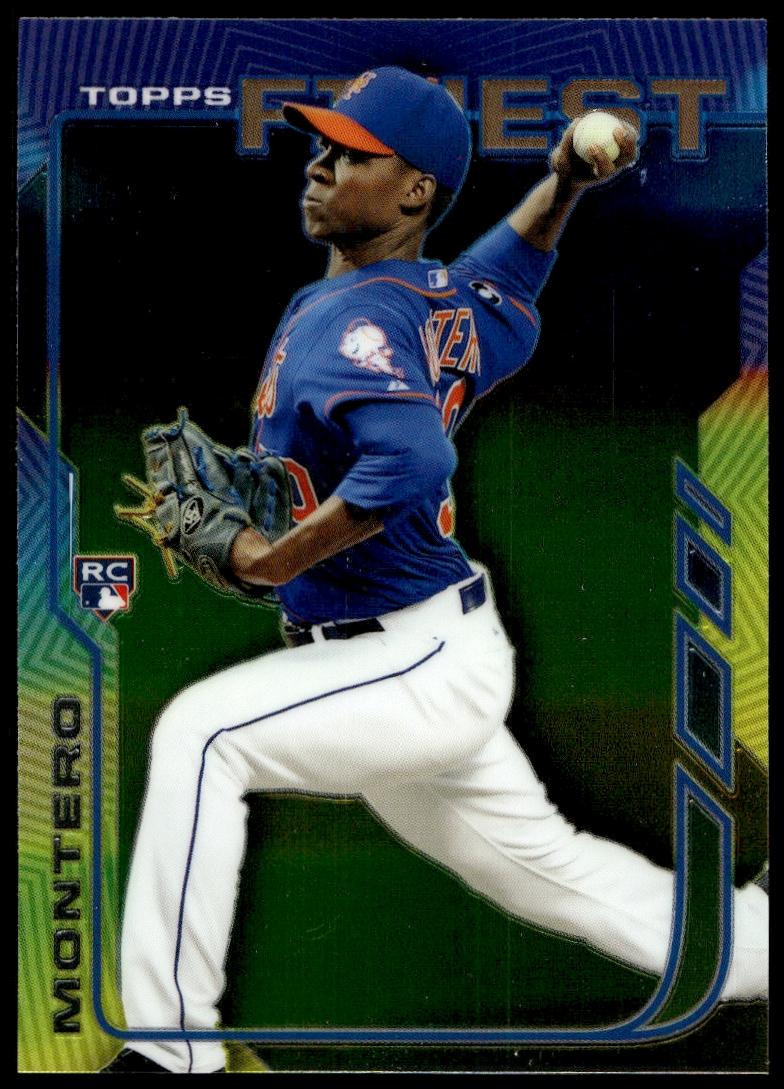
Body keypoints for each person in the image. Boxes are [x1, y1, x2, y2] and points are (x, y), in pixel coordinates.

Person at [104, 67, 768, 1074]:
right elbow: (513, 270)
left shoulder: (354, 323)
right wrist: (564, 181)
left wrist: (268, 559)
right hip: (427, 652)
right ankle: (758, 942)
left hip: (410, 663)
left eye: (351, 155)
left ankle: (168, 1054)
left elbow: (414, 460)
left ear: (414, 192)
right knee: (557, 877)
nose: (320, 166)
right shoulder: (432, 300)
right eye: (321, 146)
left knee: (202, 735)